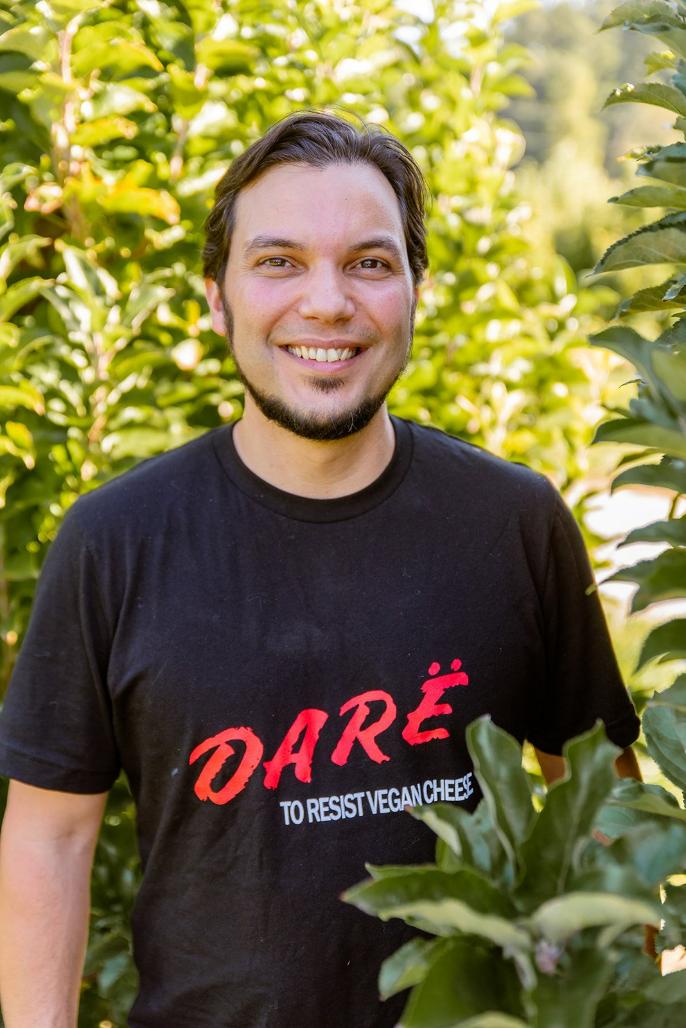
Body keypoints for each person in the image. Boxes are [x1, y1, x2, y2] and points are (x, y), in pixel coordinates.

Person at [0, 111, 640, 1028]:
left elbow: (599, 803)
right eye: (279, 262)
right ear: (217, 298)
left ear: (417, 288)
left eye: (370, 263)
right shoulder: (115, 540)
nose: (328, 303)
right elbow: (51, 837)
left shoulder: (514, 522)